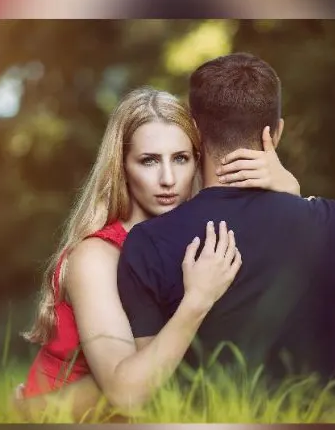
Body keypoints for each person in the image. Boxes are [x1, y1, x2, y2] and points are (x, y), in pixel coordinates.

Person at [16, 85, 299, 420]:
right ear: (122, 167)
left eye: (180, 158)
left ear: (198, 159)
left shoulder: (200, 238)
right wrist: (197, 300)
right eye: (148, 161)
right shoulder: (96, 257)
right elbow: (124, 393)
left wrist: (288, 194)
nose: (168, 179)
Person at [118, 54, 335, 386]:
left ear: (194, 132)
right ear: (276, 133)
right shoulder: (326, 222)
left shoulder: (147, 242)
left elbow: (147, 391)